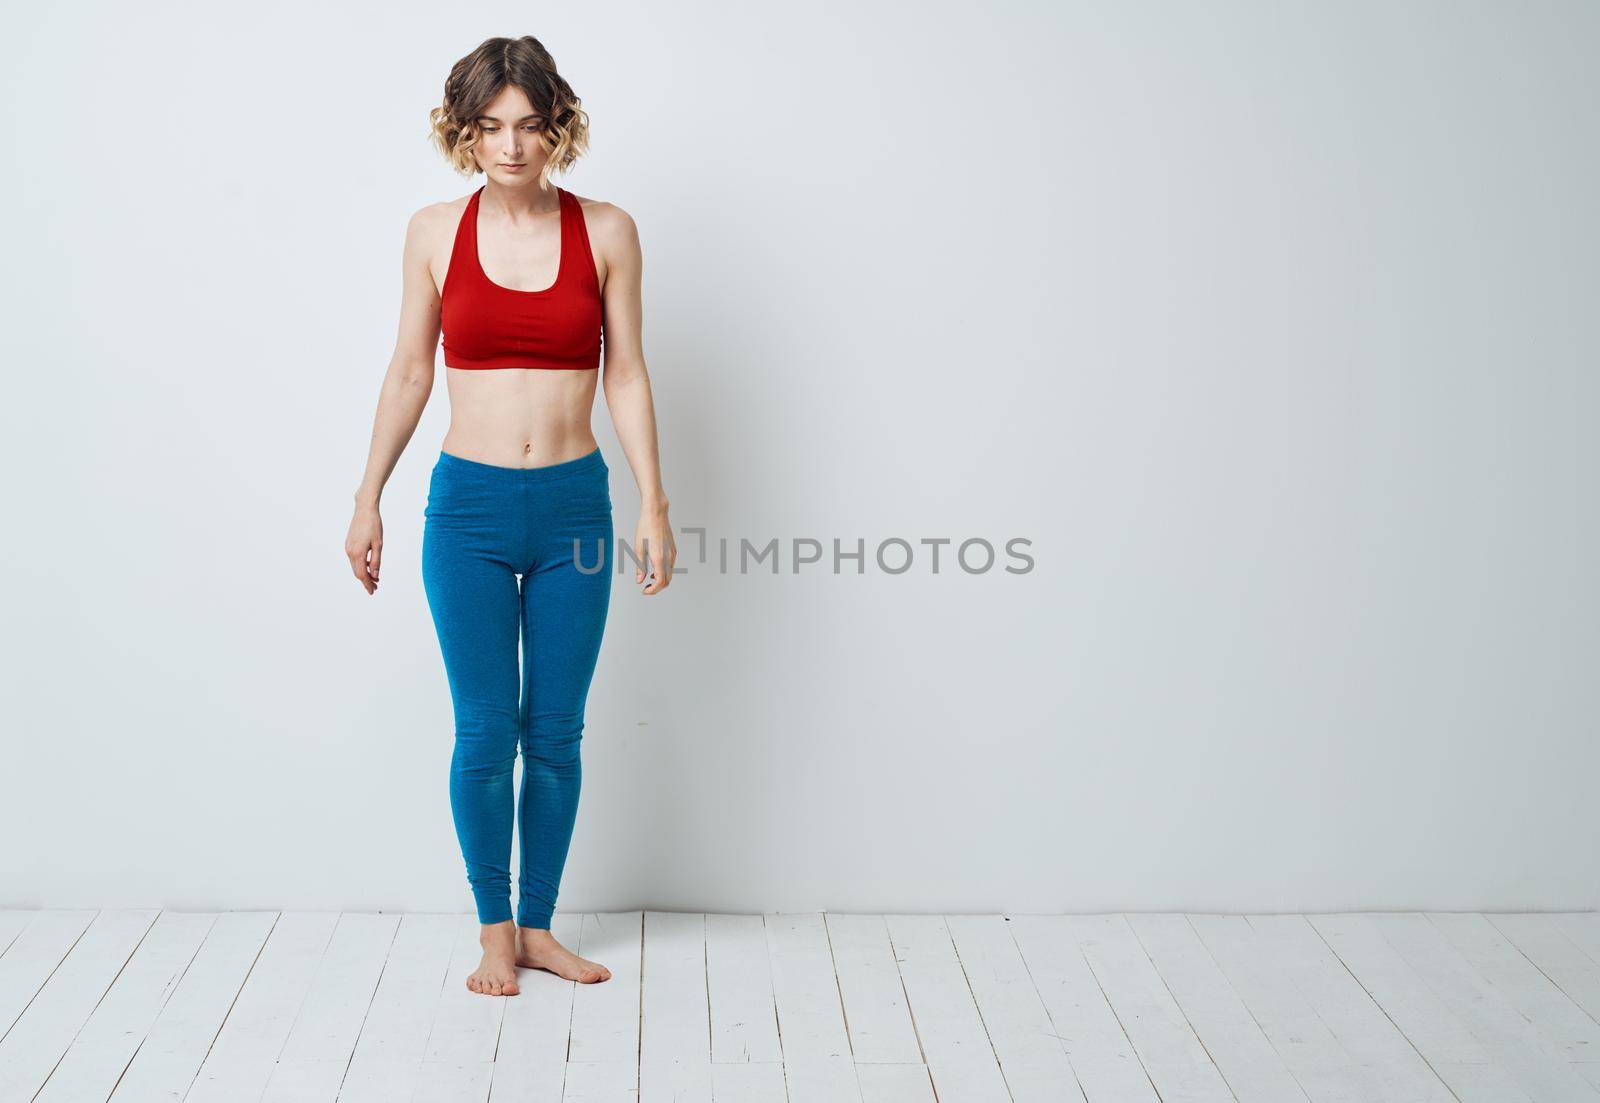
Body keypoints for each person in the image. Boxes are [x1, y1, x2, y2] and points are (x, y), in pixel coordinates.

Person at [344, 35, 676, 996]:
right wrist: (367, 495)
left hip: (574, 502)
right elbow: (411, 370)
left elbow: (629, 372)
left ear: (557, 126)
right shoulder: (432, 232)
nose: (511, 146)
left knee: (557, 733)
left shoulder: (608, 230)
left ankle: (539, 927)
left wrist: (654, 498)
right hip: (470, 513)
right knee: (486, 732)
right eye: (490, 127)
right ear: (464, 132)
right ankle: (494, 930)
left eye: (530, 126)